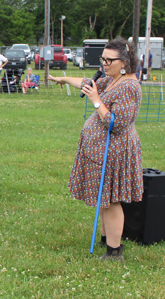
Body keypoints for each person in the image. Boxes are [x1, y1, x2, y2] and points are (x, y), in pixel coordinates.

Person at [48, 37, 143, 263]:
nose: (104, 64)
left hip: (114, 153)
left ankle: (114, 252)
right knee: (104, 199)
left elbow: (115, 123)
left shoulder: (129, 86)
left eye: (109, 60)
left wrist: (96, 101)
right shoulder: (111, 79)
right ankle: (106, 239)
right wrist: (63, 78)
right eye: (103, 59)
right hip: (100, 153)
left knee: (111, 201)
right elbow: (85, 82)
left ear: (125, 62)